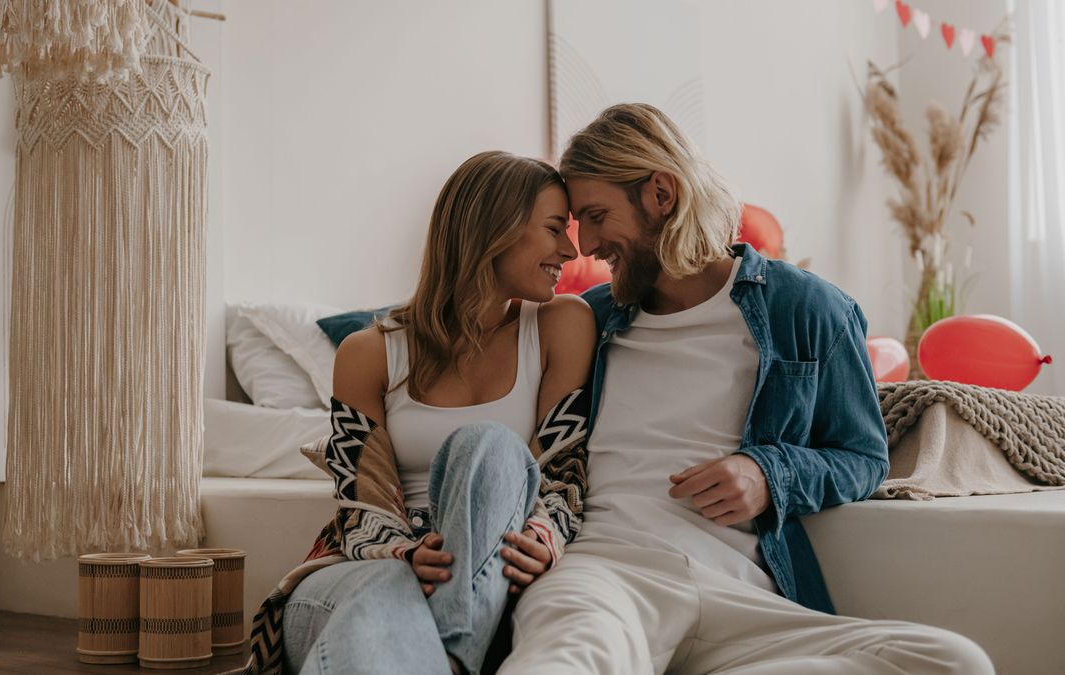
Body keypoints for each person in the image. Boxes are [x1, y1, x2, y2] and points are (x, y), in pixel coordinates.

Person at [497, 104, 994, 674]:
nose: (585, 246)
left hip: (744, 595)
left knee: (951, 661)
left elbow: (864, 457)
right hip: (608, 576)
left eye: (596, 215)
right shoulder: (590, 319)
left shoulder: (806, 309)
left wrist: (767, 474)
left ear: (661, 193)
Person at [244, 151, 596, 675]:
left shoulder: (561, 325)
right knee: (390, 590)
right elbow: (357, 499)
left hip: (490, 572)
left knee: (491, 446)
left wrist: (546, 538)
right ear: (494, 229)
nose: (569, 250)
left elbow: (564, 471)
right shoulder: (369, 353)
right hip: (367, 567)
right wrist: (404, 554)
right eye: (553, 229)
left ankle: (453, 649)